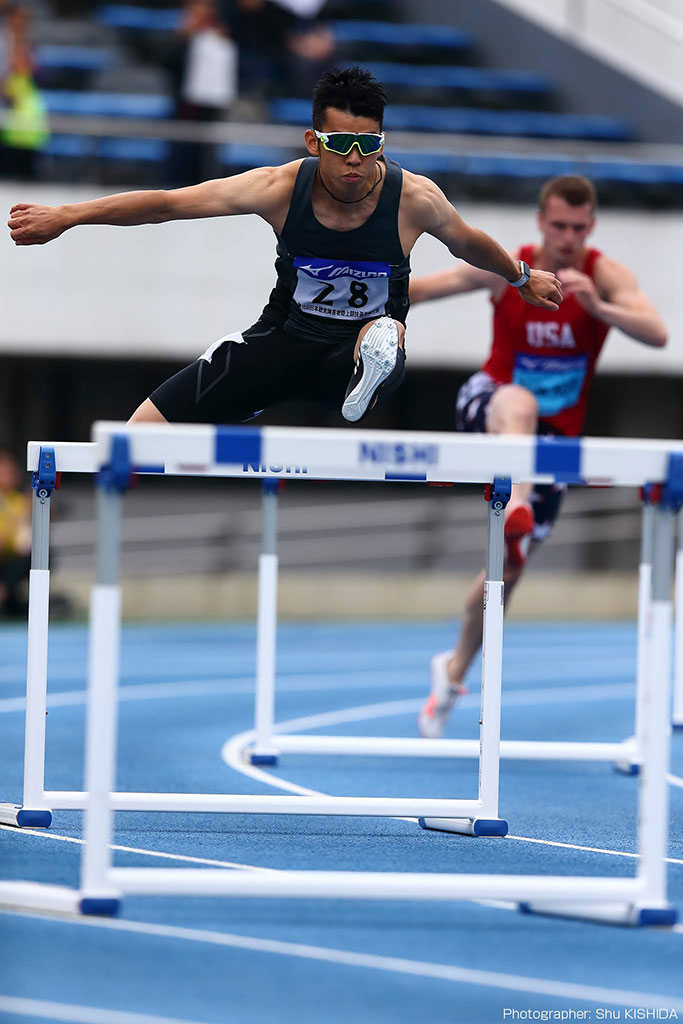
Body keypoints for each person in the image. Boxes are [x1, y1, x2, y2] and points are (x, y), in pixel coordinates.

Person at [8, 66, 562, 433]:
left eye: (367, 147)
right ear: (313, 142)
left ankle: (373, 362)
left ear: (381, 145)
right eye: (341, 145)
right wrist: (68, 215)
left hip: (347, 359)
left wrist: (520, 276)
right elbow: (170, 203)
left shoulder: (413, 198)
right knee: (139, 434)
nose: (354, 161)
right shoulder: (278, 188)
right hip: (281, 341)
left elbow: (469, 243)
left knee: (385, 332)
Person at [414, 174, 668, 739]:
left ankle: (454, 671)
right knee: (520, 402)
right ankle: (519, 499)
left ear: (592, 227)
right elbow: (432, 286)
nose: (569, 237)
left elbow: (657, 333)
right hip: (492, 404)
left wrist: (599, 308)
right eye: (559, 225)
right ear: (541, 222)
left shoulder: (602, 275)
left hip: (556, 444)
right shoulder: (513, 268)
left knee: (507, 572)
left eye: (579, 228)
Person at [0, 448, 31, 618]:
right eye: (3, 472)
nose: (7, 476)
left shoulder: (19, 501)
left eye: (10, 472)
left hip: (8, 560)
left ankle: (5, 594)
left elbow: (22, 540)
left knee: (35, 554)